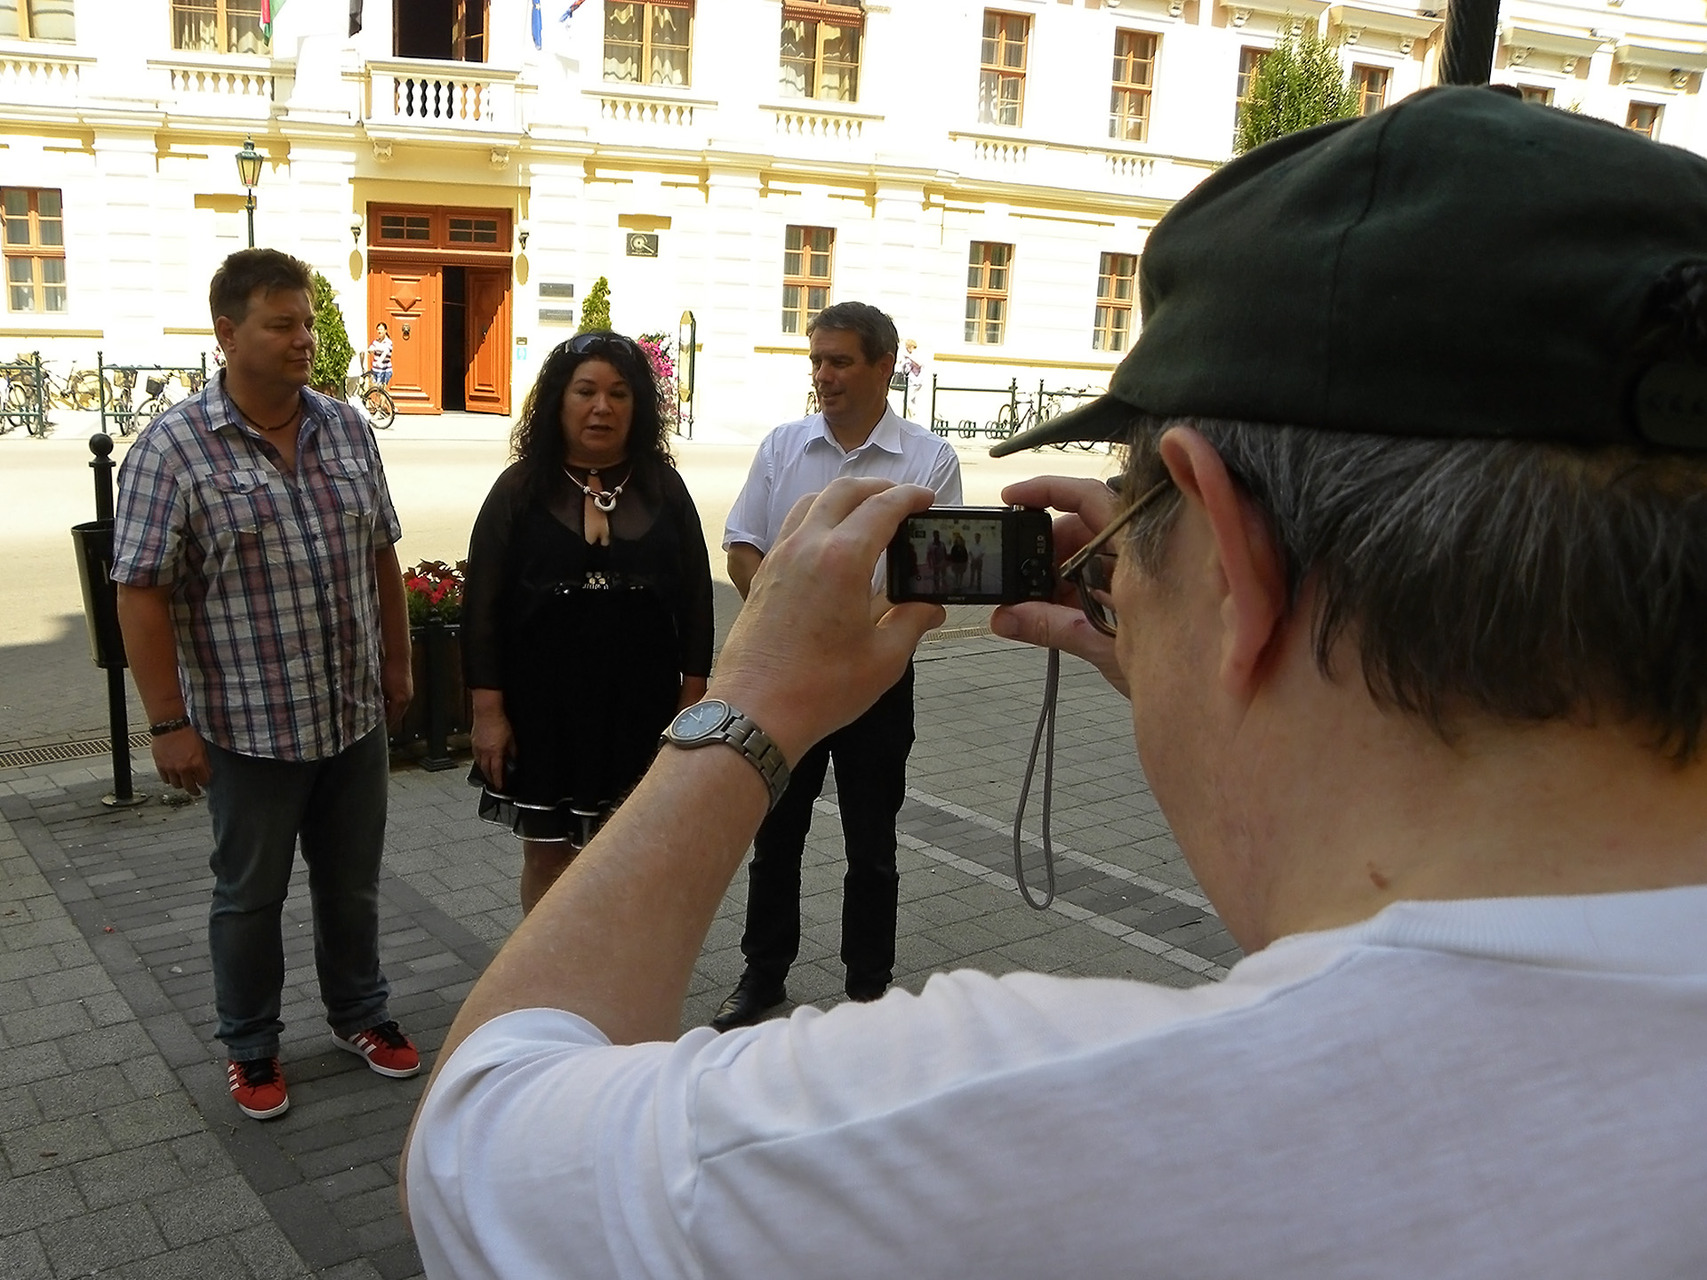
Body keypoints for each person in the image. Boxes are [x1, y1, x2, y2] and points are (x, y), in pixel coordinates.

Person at [403, 89, 1707, 1276]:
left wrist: (747, 710)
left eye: (1141, 514)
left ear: (1234, 554)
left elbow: (480, 1141)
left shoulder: (995, 1123)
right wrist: (1205, 660)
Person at [112, 248, 420, 1123]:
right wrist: (166, 723)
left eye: (307, 323)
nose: (303, 339)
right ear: (228, 332)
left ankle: (359, 1013)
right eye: (281, 324)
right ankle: (250, 1045)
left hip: (350, 713)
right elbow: (140, 590)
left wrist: (397, 663)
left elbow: (381, 552)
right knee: (249, 897)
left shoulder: (347, 428)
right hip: (248, 726)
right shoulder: (173, 449)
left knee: (351, 882)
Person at [710, 301, 961, 1028]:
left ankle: (868, 991)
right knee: (775, 835)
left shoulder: (928, 460)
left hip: (877, 684)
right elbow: (742, 547)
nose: (823, 375)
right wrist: (789, 626)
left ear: (884, 366)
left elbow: (930, 583)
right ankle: (762, 976)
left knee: (871, 842)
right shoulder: (783, 448)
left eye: (840, 361)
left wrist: (853, 638)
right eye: (817, 360)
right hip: (786, 680)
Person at [462, 332, 714, 913]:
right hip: (543, 712)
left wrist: (692, 699)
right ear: (559, 401)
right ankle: (550, 967)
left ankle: (621, 965)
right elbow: (482, 610)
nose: (602, 407)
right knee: (549, 859)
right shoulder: (519, 489)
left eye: (619, 393)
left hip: (643, 710)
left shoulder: (663, 488)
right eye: (586, 392)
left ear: (638, 405)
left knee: (634, 855)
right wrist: (488, 714)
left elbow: (698, 599)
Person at [367, 321, 393, 387]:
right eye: (378, 329)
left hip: (384, 370)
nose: (379, 331)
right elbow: (370, 349)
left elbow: (385, 351)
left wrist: (378, 361)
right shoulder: (376, 341)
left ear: (385, 331)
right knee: (374, 389)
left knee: (380, 389)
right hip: (375, 370)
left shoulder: (388, 342)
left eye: (381, 329)